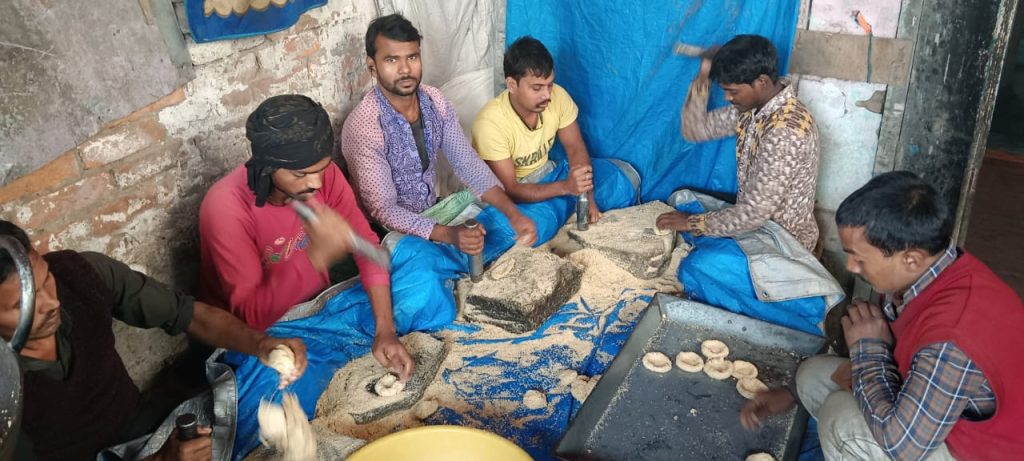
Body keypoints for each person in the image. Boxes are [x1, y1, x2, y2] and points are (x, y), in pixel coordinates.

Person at [739, 172, 1024, 460]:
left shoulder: (952, 339)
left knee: (842, 422)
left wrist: (868, 348)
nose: (851, 267)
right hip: (934, 411)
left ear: (910, 259)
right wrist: (791, 394)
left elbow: (903, 446)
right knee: (811, 375)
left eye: (859, 258)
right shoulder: (923, 271)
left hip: (973, 450)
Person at [0, 219, 310, 461]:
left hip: (142, 424)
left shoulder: (80, 274)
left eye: (46, 279)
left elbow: (189, 315)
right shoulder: (5, 392)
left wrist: (259, 344)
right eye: (22, 305)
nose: (52, 302)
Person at [198, 94, 414, 380]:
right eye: (300, 174)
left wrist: (385, 331)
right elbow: (251, 316)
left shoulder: (324, 175)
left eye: (321, 169)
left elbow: (367, 247)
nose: (316, 183)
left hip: (315, 307)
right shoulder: (225, 208)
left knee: (415, 289)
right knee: (285, 384)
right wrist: (316, 256)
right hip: (255, 335)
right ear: (268, 166)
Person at [655, 35, 834, 335]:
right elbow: (694, 129)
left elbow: (753, 215)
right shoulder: (754, 110)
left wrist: (693, 223)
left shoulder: (785, 131)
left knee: (696, 268)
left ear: (761, 82)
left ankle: (799, 312)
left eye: (732, 91)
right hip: (754, 223)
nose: (728, 98)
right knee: (682, 199)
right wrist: (704, 72)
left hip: (779, 242)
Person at [341, 13, 537, 258]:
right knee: (432, 266)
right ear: (373, 66)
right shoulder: (365, 126)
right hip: (385, 233)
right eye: (392, 60)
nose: (405, 69)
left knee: (500, 225)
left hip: (434, 212)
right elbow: (384, 210)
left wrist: (513, 214)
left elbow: (467, 163)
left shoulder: (435, 102)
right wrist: (450, 234)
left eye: (412, 57)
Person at [472, 36, 632, 223]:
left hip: (549, 174)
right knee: (527, 224)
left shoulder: (558, 96)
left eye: (549, 85)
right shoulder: (490, 124)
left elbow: (574, 147)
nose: (547, 95)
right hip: (509, 194)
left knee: (618, 175)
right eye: (537, 88)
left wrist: (586, 195)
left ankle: (562, 208)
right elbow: (511, 190)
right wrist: (566, 187)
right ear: (512, 85)